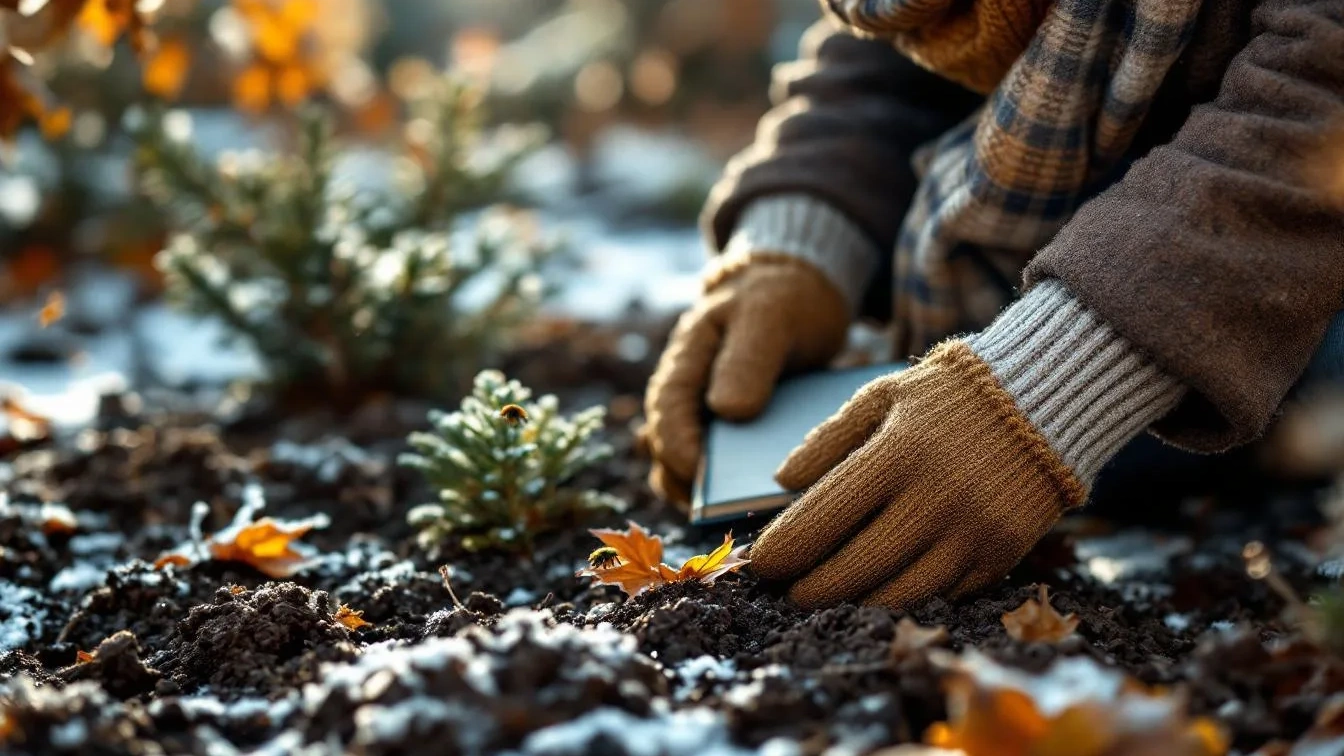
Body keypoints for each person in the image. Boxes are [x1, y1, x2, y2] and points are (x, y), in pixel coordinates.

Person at [642, 0, 1344, 610]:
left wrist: (1059, 386)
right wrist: (797, 246)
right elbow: (897, 52)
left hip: (1301, 281)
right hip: (1107, 247)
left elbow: (1324, 77)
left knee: (1140, 463)